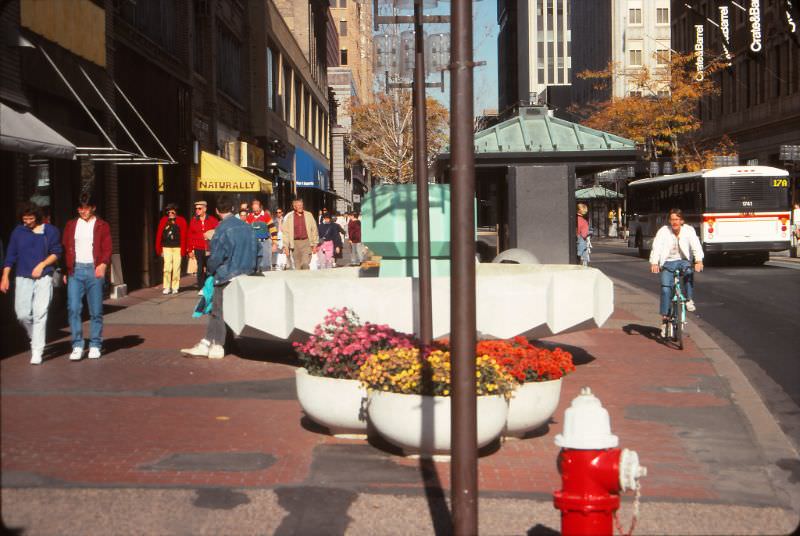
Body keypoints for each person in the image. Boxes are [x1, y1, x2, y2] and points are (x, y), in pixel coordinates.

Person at [181, 195, 259, 359]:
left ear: (216, 211)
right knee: (227, 311)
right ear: (233, 209)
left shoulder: (222, 229)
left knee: (217, 311)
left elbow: (216, 257)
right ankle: (215, 342)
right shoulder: (247, 227)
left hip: (226, 275)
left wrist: (210, 271)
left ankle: (216, 345)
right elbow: (257, 251)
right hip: (245, 274)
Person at [1, 202, 62, 364]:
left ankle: (37, 350)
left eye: (30, 218)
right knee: (22, 314)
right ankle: (34, 336)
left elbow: (56, 253)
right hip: (22, 276)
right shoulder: (18, 232)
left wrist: (42, 265)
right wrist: (5, 276)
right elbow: (10, 255)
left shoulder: (50, 231)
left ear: (37, 217)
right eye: (24, 218)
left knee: (39, 313)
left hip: (44, 277)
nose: (27, 221)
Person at [62, 194, 113, 361]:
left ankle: (95, 344)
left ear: (93, 208)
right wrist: (64, 270)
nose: (83, 211)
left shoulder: (102, 225)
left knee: (96, 310)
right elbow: (65, 247)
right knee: (73, 308)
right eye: (80, 208)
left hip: (94, 270)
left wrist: (103, 264)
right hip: (75, 271)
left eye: (86, 208)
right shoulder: (71, 225)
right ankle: (77, 344)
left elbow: (107, 247)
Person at [649, 208, 704, 336]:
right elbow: (656, 247)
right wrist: (654, 262)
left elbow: (696, 246)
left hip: (683, 261)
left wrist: (699, 261)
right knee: (665, 290)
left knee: (689, 273)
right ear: (669, 221)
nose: (674, 222)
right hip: (667, 262)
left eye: (677, 220)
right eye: (672, 219)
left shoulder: (688, 231)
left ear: (682, 221)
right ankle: (665, 321)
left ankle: (689, 299)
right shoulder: (663, 231)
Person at [155, 203, 188, 295]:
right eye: (168, 212)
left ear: (176, 212)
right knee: (167, 268)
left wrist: (185, 249)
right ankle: (166, 286)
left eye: (172, 211)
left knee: (176, 267)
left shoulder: (181, 221)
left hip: (178, 247)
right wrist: (159, 249)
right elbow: (159, 235)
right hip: (166, 247)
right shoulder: (163, 221)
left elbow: (185, 235)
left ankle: (175, 287)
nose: (170, 213)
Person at [188, 200, 219, 291]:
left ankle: (209, 286)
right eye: (196, 209)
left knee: (210, 268)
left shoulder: (212, 220)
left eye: (199, 208)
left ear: (205, 209)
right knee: (200, 268)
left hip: (210, 248)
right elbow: (189, 236)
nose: (197, 210)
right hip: (198, 248)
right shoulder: (193, 221)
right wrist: (189, 250)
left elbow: (218, 233)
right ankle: (201, 287)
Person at [283, 198, 319, 270]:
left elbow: (314, 230)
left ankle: (306, 279)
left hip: (306, 242)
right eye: (298, 205)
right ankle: (299, 281)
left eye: (301, 205)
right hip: (294, 244)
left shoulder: (309, 215)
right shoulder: (289, 217)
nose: (300, 207)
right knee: (297, 266)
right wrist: (286, 246)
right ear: (294, 207)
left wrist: (315, 244)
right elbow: (286, 233)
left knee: (305, 264)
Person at [244, 198, 277, 272]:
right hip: (254, 243)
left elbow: (273, 230)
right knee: (255, 263)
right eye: (254, 210)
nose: (255, 212)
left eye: (257, 210)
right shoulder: (249, 217)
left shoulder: (266, 216)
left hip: (265, 243)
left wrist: (275, 243)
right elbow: (246, 231)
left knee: (266, 264)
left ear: (260, 207)